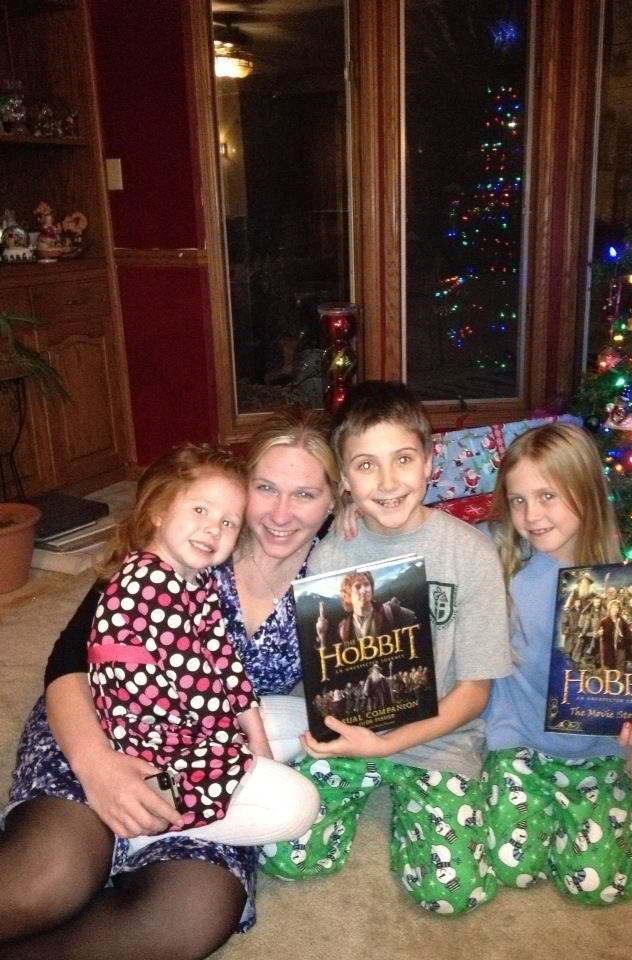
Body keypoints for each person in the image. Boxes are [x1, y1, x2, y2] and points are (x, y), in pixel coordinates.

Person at [0, 408, 340, 959]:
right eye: (265, 488)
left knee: (190, 915)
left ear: (333, 501)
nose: (281, 513)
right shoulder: (181, 549)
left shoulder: (337, 572)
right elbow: (69, 659)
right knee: (49, 879)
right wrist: (96, 764)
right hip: (105, 720)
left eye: (305, 494)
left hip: (205, 755)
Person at [260, 380, 513, 915]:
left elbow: (475, 693)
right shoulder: (330, 554)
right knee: (285, 857)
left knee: (455, 894)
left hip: (440, 738)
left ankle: (429, 809)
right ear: (345, 481)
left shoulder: (471, 554)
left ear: (429, 462)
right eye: (366, 465)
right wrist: (356, 741)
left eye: (403, 459)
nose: (388, 481)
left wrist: (391, 745)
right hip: (349, 734)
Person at [85, 443, 318, 850]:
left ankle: (240, 782)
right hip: (155, 754)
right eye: (200, 510)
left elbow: (224, 660)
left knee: (309, 719)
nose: (213, 529)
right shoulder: (149, 583)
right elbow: (201, 690)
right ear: (158, 511)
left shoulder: (196, 578)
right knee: (301, 806)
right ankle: (153, 825)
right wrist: (240, 754)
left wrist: (257, 743)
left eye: (228, 522)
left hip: (187, 728)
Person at [482, 422, 632, 907]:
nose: (531, 515)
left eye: (547, 496)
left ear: (586, 492)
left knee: (598, 886)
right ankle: (542, 811)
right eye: (518, 499)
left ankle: (612, 818)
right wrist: (357, 517)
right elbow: (428, 539)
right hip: (514, 740)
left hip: (596, 749)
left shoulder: (623, 583)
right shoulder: (499, 554)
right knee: (512, 868)